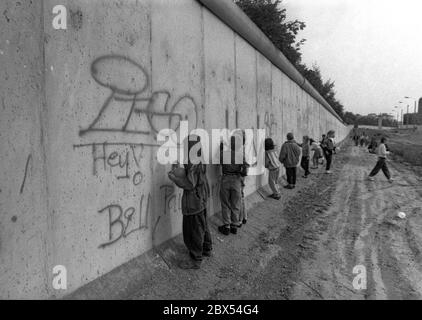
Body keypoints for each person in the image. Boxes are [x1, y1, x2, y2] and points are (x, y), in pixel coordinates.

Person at [170, 135, 212, 269]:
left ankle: (195, 259)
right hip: (202, 200)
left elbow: (189, 183)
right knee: (203, 226)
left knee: (193, 230)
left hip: (194, 203)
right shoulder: (200, 159)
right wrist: (179, 168)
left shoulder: (193, 161)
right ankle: (206, 249)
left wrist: (174, 178)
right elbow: (192, 175)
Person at [218, 133, 248, 236]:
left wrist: (221, 148)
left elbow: (219, 162)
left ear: (231, 143)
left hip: (225, 179)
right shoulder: (241, 155)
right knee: (235, 203)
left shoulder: (224, 154)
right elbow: (245, 171)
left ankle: (226, 226)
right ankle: (234, 225)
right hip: (236, 180)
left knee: (225, 203)